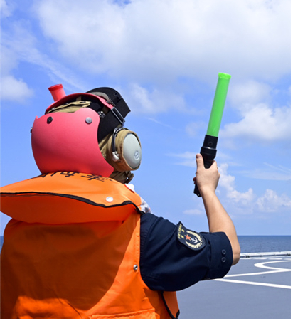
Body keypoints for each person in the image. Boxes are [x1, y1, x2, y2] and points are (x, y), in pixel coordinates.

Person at [0, 84, 240, 318]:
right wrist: (208, 189)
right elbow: (229, 249)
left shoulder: (15, 236)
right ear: (121, 149)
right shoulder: (144, 236)